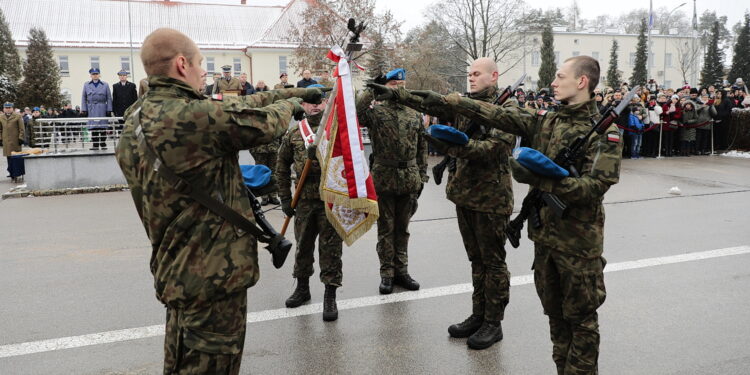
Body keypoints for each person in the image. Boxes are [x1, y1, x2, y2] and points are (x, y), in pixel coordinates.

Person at [372, 55, 621, 373]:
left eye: (560, 76)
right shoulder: (547, 121)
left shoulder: (604, 133)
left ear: (582, 81)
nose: (553, 82)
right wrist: (400, 94)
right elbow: (483, 110)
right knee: (557, 325)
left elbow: (593, 188)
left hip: (578, 245)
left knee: (582, 324)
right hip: (545, 239)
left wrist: (541, 178)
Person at [114, 28, 320, 374]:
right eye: (200, 66)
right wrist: (292, 104)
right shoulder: (191, 118)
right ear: (182, 65)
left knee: (180, 364)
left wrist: (292, 90)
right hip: (213, 278)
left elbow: (235, 106)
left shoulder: (137, 117)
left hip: (177, 269)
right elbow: (264, 123)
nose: (203, 74)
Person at [370, 57, 515, 350]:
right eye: (469, 74)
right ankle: (479, 314)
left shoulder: (507, 109)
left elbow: (493, 148)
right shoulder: (463, 103)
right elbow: (432, 103)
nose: (471, 78)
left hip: (491, 199)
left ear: (494, 76)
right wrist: (399, 93)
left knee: (493, 262)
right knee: (476, 261)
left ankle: (493, 322)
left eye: (477, 74)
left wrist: (452, 146)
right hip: (465, 196)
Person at [356, 69, 428, 295]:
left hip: (409, 178)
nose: (400, 87)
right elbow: (357, 114)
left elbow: (421, 147)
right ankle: (387, 274)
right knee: (386, 229)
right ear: (387, 86)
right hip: (384, 177)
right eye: (395, 84)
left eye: (402, 84)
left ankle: (402, 271)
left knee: (403, 229)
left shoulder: (413, 113)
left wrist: (422, 176)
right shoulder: (376, 112)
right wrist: (371, 88)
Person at [276, 86, 344, 322]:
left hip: (330, 199)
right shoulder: (294, 133)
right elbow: (282, 167)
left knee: (331, 249)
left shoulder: (335, 131)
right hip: (303, 199)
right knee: (303, 246)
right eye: (309, 102)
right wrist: (285, 197)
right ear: (302, 105)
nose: (315, 105)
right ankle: (302, 288)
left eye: (319, 102)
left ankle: (330, 294)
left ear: (326, 104)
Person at [81, 67, 113, 150]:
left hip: (102, 108)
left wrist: (109, 109)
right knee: (93, 127)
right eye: (93, 74)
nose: (95, 76)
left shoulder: (105, 84)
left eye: (96, 74)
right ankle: (95, 144)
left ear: (99, 75)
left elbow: (109, 98)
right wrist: (84, 109)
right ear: (90, 75)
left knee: (103, 127)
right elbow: (84, 97)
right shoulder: (86, 84)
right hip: (91, 108)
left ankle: (103, 143)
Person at [1, 102, 25, 180]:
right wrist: (0, 138)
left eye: (9, 108)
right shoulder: (1, 117)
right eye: (6, 108)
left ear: (12, 108)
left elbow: (22, 129)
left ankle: (17, 172)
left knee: (16, 157)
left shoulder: (17, 116)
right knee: (9, 157)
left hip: (15, 141)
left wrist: (21, 138)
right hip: (6, 141)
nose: (8, 109)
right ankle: (11, 172)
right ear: (3, 109)